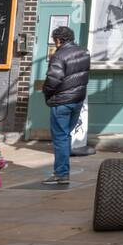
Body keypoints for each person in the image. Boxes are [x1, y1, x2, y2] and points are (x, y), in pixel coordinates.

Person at [41, 26, 89, 186]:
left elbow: (53, 79)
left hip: (61, 102)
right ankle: (63, 171)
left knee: (60, 138)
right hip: (77, 100)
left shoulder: (59, 56)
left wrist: (46, 93)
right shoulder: (84, 52)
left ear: (58, 40)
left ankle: (61, 174)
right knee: (66, 135)